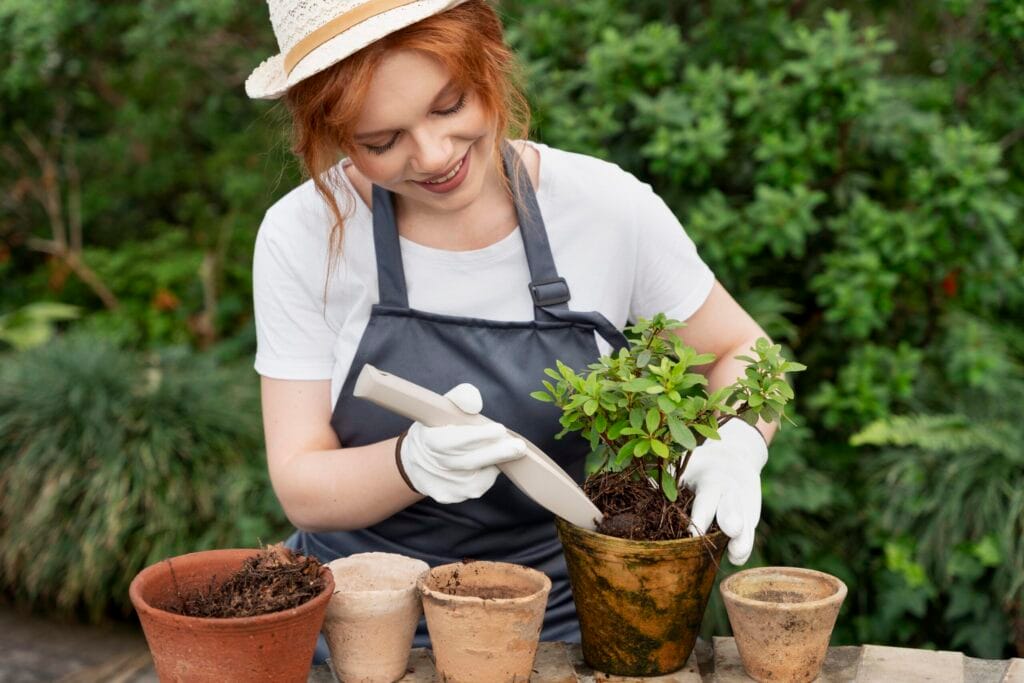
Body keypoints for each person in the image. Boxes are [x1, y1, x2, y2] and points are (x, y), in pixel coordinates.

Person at [247, 0, 776, 656]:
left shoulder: (605, 209)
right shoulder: (304, 234)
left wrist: (738, 440)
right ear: (332, 134)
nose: (433, 155)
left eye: (449, 106)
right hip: (354, 624)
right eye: (380, 141)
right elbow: (301, 478)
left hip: (559, 624)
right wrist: (408, 462)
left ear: (488, 59)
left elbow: (737, 348)